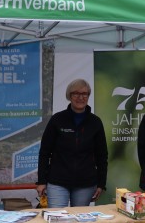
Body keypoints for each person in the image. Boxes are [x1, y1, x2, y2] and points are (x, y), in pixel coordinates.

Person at [35, 79, 107, 208]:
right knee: (57, 219)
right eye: (76, 93)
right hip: (58, 182)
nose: (80, 97)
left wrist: (101, 184)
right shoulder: (57, 120)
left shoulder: (95, 122)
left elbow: (102, 156)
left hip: (85, 184)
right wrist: (41, 181)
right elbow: (45, 152)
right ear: (69, 96)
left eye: (84, 94)